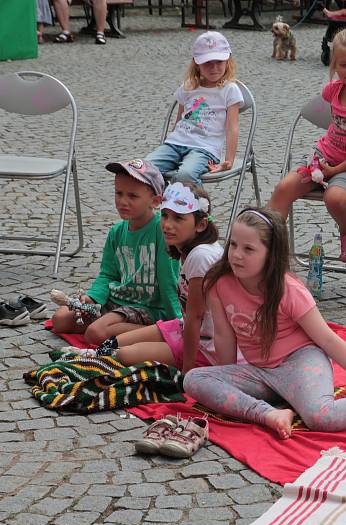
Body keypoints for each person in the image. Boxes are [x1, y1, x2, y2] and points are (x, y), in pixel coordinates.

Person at [181, 208, 346, 439]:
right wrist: (228, 380)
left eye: (248, 249)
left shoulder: (289, 290)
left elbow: (328, 340)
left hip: (301, 362)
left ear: (270, 254)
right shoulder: (218, 284)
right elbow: (225, 338)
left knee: (321, 417)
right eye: (234, 245)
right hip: (260, 372)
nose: (237, 255)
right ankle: (269, 414)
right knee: (193, 380)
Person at [268, 28, 346, 264]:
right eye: (344, 65)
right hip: (325, 158)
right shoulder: (332, 90)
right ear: (334, 64)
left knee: (334, 197)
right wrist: (326, 165)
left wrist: (335, 171)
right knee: (284, 188)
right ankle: (268, 245)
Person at [86, 183, 225, 374]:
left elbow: (195, 317)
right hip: (185, 328)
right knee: (110, 343)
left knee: (125, 355)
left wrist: (188, 372)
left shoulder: (200, 256)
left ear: (201, 225)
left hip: (206, 345)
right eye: (165, 215)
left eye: (178, 218)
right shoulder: (188, 248)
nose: (167, 224)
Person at [51, 159, 181, 345]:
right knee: (60, 319)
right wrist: (92, 296)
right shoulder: (117, 232)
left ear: (155, 201)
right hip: (118, 300)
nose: (122, 201)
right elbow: (108, 274)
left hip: (148, 307)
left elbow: (169, 279)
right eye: (118, 193)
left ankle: (159, 331)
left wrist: (175, 320)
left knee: (95, 334)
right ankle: (112, 324)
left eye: (132, 196)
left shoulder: (161, 231)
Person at [145, 31, 243, 186]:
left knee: (185, 174)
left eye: (219, 61)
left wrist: (229, 160)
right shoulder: (189, 87)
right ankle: (162, 207)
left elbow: (232, 127)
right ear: (197, 64)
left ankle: (195, 209)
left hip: (205, 149)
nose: (214, 67)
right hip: (175, 144)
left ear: (227, 61)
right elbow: (179, 121)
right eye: (207, 63)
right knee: (144, 169)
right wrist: (169, 145)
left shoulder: (229, 89)